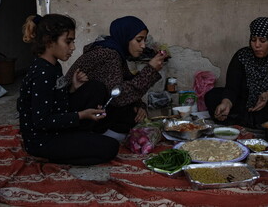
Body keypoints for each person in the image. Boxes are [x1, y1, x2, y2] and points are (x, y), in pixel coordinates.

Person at [17, 14, 119, 165]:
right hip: (43, 140)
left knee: (95, 87)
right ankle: (50, 157)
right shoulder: (41, 73)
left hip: (57, 127)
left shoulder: (53, 65)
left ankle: (77, 138)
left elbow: (54, 100)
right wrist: (81, 115)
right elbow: (41, 121)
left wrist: (72, 88)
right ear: (49, 41)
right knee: (111, 147)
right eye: (68, 41)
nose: (72, 47)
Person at [65, 16, 166, 140]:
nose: (143, 45)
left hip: (89, 110)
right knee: (127, 113)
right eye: (139, 40)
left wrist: (140, 105)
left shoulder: (115, 52)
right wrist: (151, 69)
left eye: (144, 40)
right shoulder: (108, 54)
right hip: (73, 114)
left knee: (133, 110)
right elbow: (118, 97)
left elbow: (125, 82)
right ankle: (98, 137)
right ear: (125, 37)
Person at [205, 17, 268, 128]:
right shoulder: (242, 56)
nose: (257, 45)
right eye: (253, 40)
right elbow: (231, 88)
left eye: (262, 41)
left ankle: (245, 120)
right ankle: (253, 120)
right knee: (212, 96)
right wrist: (226, 103)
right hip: (246, 103)